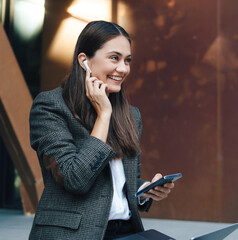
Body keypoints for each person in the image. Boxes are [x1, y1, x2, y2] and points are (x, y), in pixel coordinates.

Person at [28, 20, 175, 240]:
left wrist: (146, 191)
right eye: (114, 58)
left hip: (126, 231)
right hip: (74, 234)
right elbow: (75, 179)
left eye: (127, 60)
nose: (123, 68)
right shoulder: (50, 107)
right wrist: (103, 115)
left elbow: (122, 180)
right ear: (84, 61)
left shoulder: (130, 115)